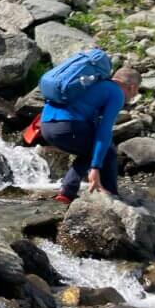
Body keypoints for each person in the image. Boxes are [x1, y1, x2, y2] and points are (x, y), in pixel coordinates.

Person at [40, 66, 141, 204]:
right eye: (136, 91)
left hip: (46, 127)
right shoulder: (116, 93)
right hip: (68, 126)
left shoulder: (91, 83)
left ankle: (66, 194)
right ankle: (111, 196)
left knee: (88, 151)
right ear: (132, 87)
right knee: (108, 151)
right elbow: (104, 130)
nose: (134, 96)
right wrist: (96, 167)